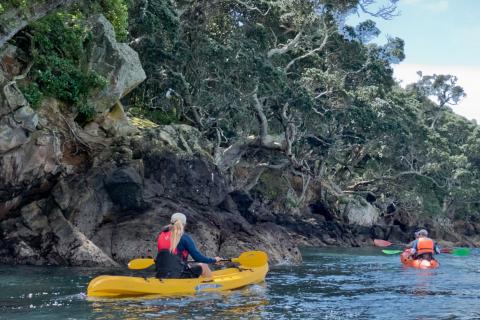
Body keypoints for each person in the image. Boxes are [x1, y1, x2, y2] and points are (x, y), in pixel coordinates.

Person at [155, 212, 222, 279]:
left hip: (161, 273)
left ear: (171, 222)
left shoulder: (161, 235)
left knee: (189, 266)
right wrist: (214, 260)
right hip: (178, 275)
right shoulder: (184, 237)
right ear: (184, 224)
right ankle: (212, 287)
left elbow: (168, 259)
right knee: (204, 266)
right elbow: (198, 258)